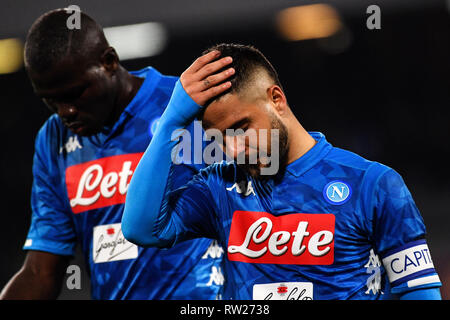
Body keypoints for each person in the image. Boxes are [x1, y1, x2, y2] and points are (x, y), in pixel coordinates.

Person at [122, 43, 442, 300]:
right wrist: (170, 123)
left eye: (241, 127)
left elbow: (419, 291)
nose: (234, 149)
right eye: (218, 139)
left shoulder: (374, 184)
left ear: (277, 99)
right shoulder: (218, 187)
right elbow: (141, 229)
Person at [0, 8, 223, 300]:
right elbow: (41, 271)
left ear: (109, 62)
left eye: (75, 93)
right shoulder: (53, 139)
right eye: (51, 101)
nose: (65, 111)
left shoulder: (184, 107)